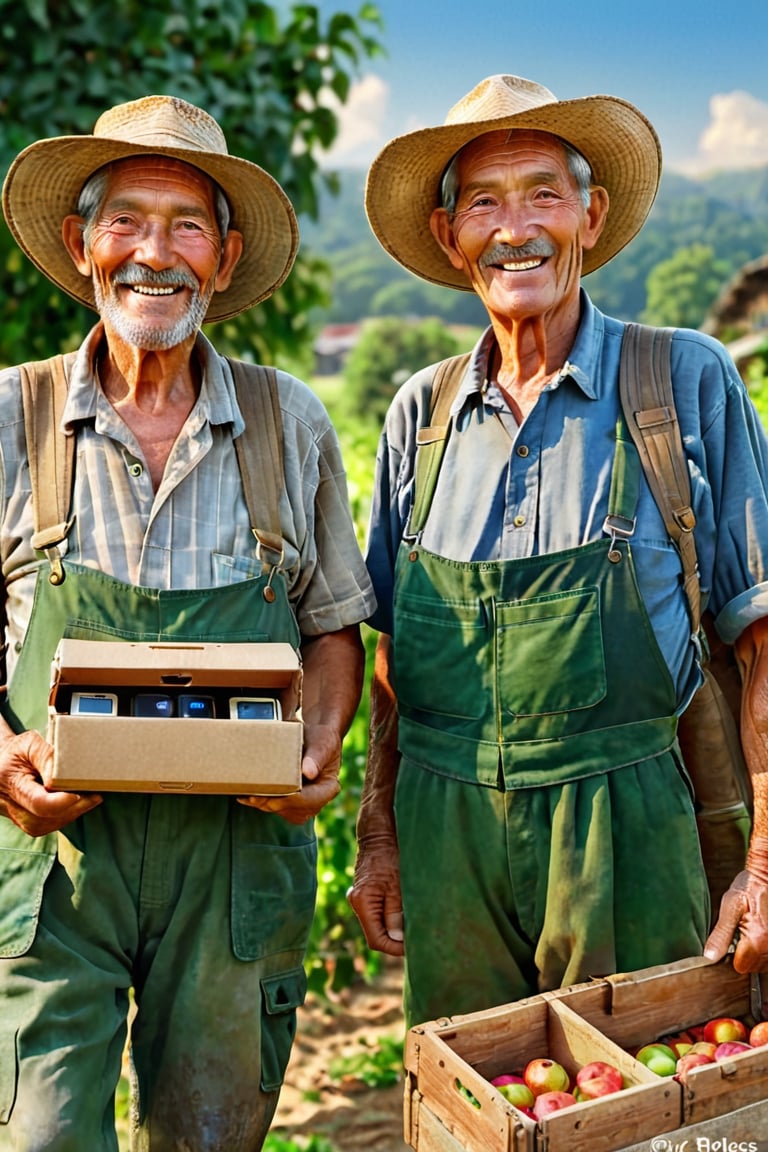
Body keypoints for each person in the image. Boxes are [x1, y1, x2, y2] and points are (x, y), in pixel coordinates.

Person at [347, 73, 768, 1029]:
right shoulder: (422, 411)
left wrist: (763, 864)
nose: (515, 227)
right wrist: (380, 835)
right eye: (484, 203)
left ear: (590, 213)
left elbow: (761, 638)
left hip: (629, 822)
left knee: (644, 1098)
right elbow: (389, 659)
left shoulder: (679, 381)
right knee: (479, 1098)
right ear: (453, 236)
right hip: (445, 833)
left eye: (543, 192)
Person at [0, 95, 375, 1151]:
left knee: (212, 1134)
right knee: (40, 1135)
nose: (152, 254)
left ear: (224, 257)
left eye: (187, 226)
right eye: (125, 219)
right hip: (55, 863)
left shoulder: (285, 418)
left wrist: (318, 741)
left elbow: (334, 626)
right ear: (81, 245)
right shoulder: (11, 417)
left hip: (235, 861)